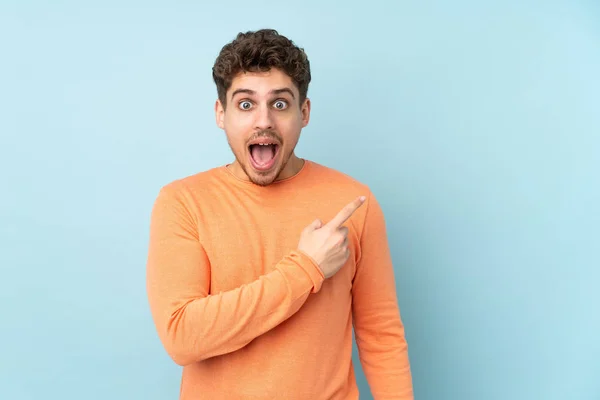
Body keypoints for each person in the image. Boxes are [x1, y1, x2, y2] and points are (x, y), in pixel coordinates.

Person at [146, 28, 414, 400]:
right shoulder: (182, 202)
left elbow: (381, 335)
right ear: (220, 113)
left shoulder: (352, 201)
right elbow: (183, 337)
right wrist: (307, 268)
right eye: (245, 104)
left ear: (303, 113)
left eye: (280, 104)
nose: (264, 122)